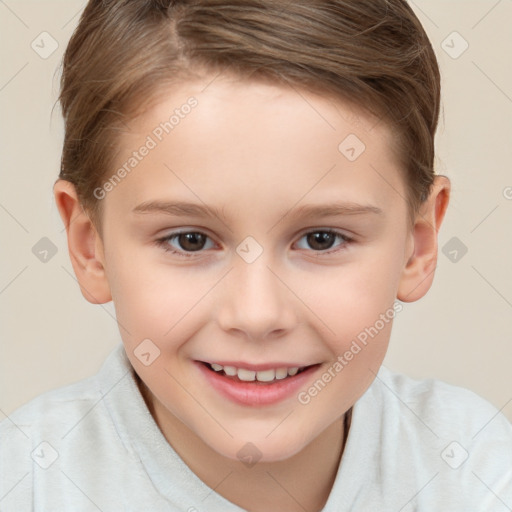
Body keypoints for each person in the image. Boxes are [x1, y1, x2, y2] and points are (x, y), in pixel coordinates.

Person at [1, 1, 511, 510]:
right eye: (190, 240)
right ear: (91, 247)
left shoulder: (478, 471)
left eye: (322, 239)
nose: (257, 314)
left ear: (416, 244)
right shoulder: (25, 482)